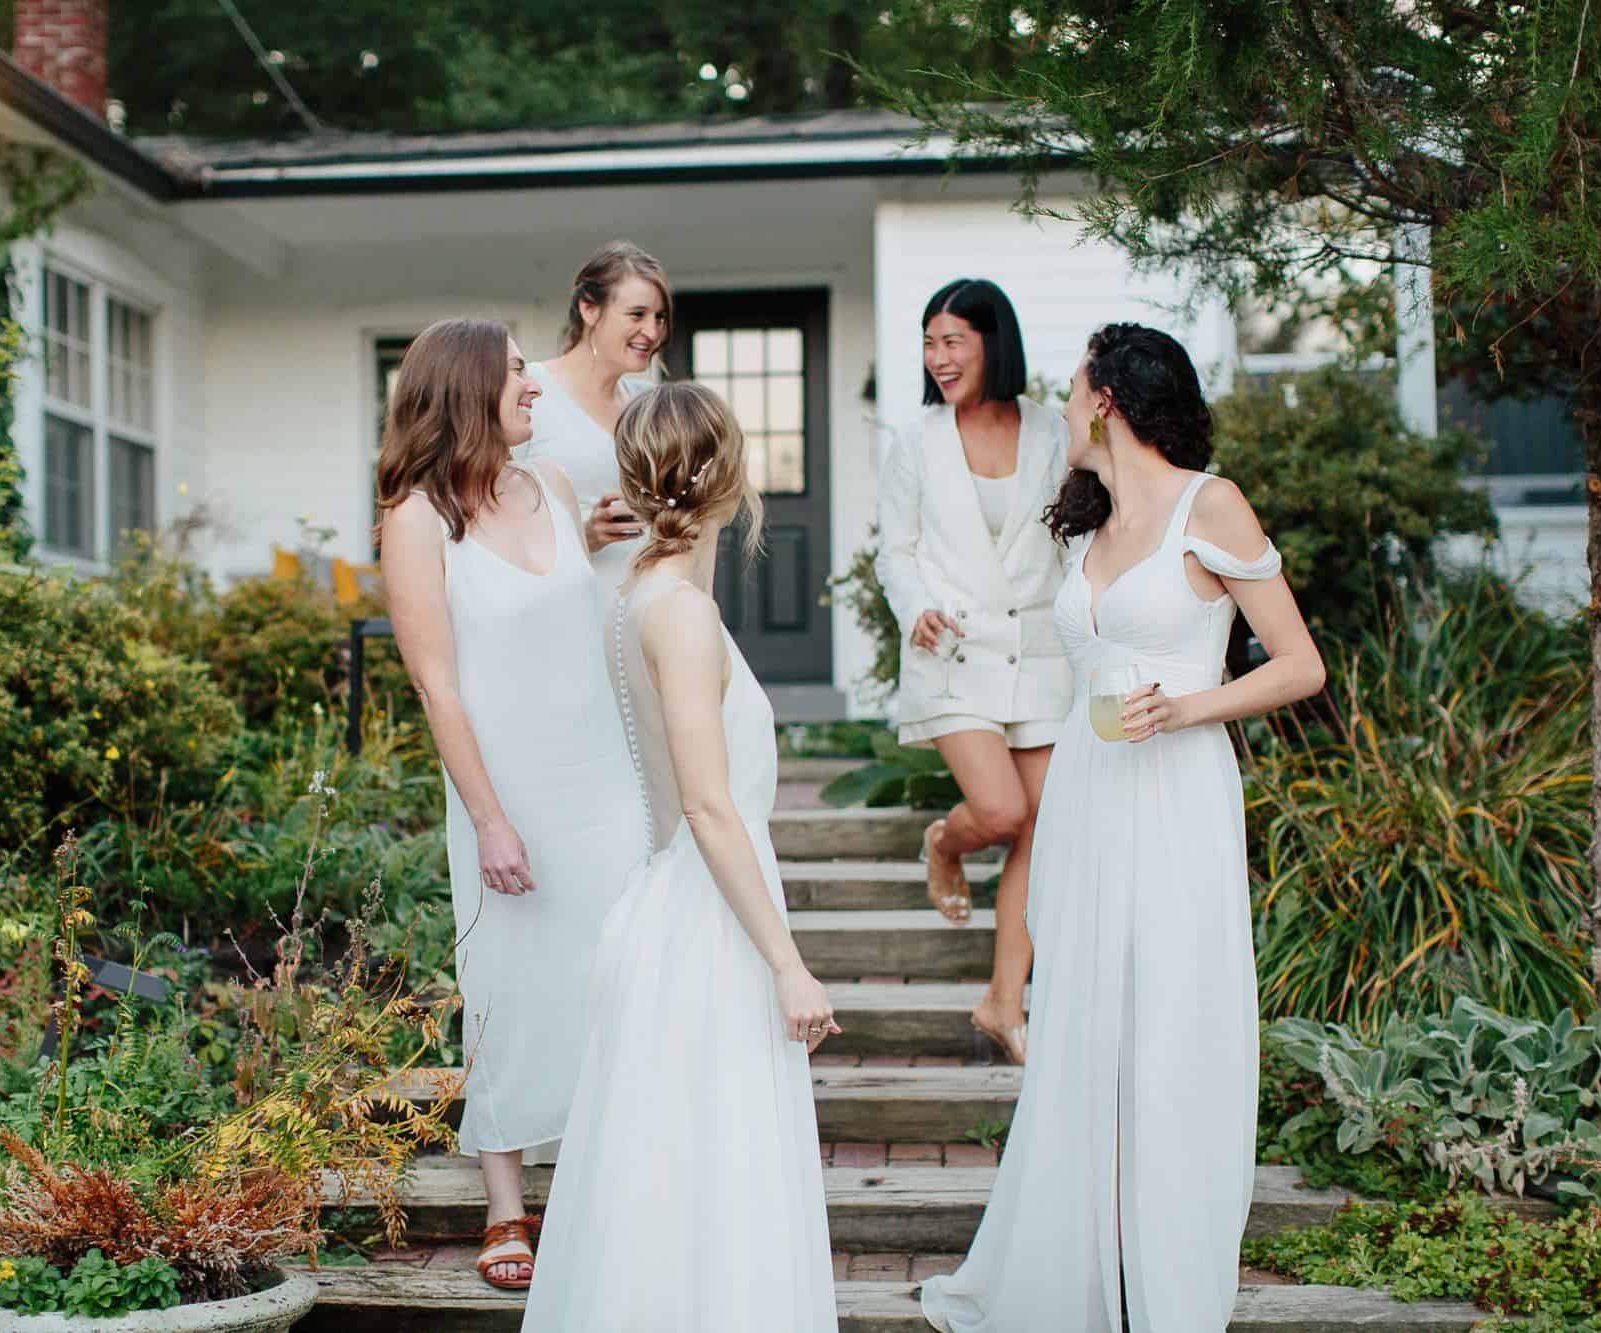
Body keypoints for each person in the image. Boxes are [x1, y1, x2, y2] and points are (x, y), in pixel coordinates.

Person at [918, 323, 1326, 1332]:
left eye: (1071, 389)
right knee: (1087, 1019)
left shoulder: (1210, 502)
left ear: (1108, 402)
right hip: (1090, 787)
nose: (1059, 405)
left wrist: (1188, 705)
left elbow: (1297, 664)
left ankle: (1168, 1273)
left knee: (1170, 1021)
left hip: (1176, 785)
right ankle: (1082, 1262)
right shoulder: (1086, 520)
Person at [521, 382, 839, 1333]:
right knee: (716, 1181)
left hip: (673, 906)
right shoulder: (680, 614)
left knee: (672, 1189)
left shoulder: (641, 598)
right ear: (728, 477)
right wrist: (787, 962)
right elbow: (706, 802)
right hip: (707, 925)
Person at [375, 318, 647, 1291]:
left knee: (613, 976)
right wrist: (489, 815)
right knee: (510, 979)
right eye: (520, 373)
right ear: (468, 389)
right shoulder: (416, 518)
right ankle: (505, 1202)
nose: (537, 388)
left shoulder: (556, 489)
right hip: (507, 788)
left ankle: (603, 1186)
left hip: (603, 779)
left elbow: (590, 629)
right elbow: (438, 685)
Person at [874, 278, 1073, 1064]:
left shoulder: (1054, 431)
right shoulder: (917, 438)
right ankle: (946, 845)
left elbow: (1081, 533)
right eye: (930, 342)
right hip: (951, 650)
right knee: (999, 812)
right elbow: (896, 549)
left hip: (1043, 656)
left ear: (994, 341)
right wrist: (913, 603)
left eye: (953, 339)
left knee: (1040, 832)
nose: (939, 357)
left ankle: (1002, 1002)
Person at [518, 240, 674, 588]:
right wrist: (587, 536)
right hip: (570, 604)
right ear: (589, 310)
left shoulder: (648, 403)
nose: (652, 332)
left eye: (659, 317)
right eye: (637, 314)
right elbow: (493, 522)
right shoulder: (528, 391)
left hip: (647, 599)